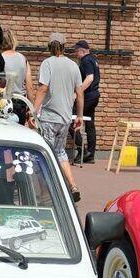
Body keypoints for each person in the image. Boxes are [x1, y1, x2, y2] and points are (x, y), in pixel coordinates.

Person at [34, 33, 83, 202]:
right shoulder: (73, 65)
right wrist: (79, 115)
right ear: (64, 46)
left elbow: (43, 89)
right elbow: (80, 93)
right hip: (65, 118)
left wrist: (33, 111)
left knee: (45, 154)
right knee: (60, 152)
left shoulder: (47, 63)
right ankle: (73, 186)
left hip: (49, 117)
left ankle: (45, 194)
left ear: (49, 46)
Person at [73, 40, 100, 162]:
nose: (75, 54)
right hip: (94, 96)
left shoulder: (86, 60)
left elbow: (89, 78)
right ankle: (90, 155)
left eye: (76, 51)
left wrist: (77, 93)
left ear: (81, 51)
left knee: (72, 119)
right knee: (89, 124)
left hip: (88, 96)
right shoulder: (93, 60)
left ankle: (82, 150)